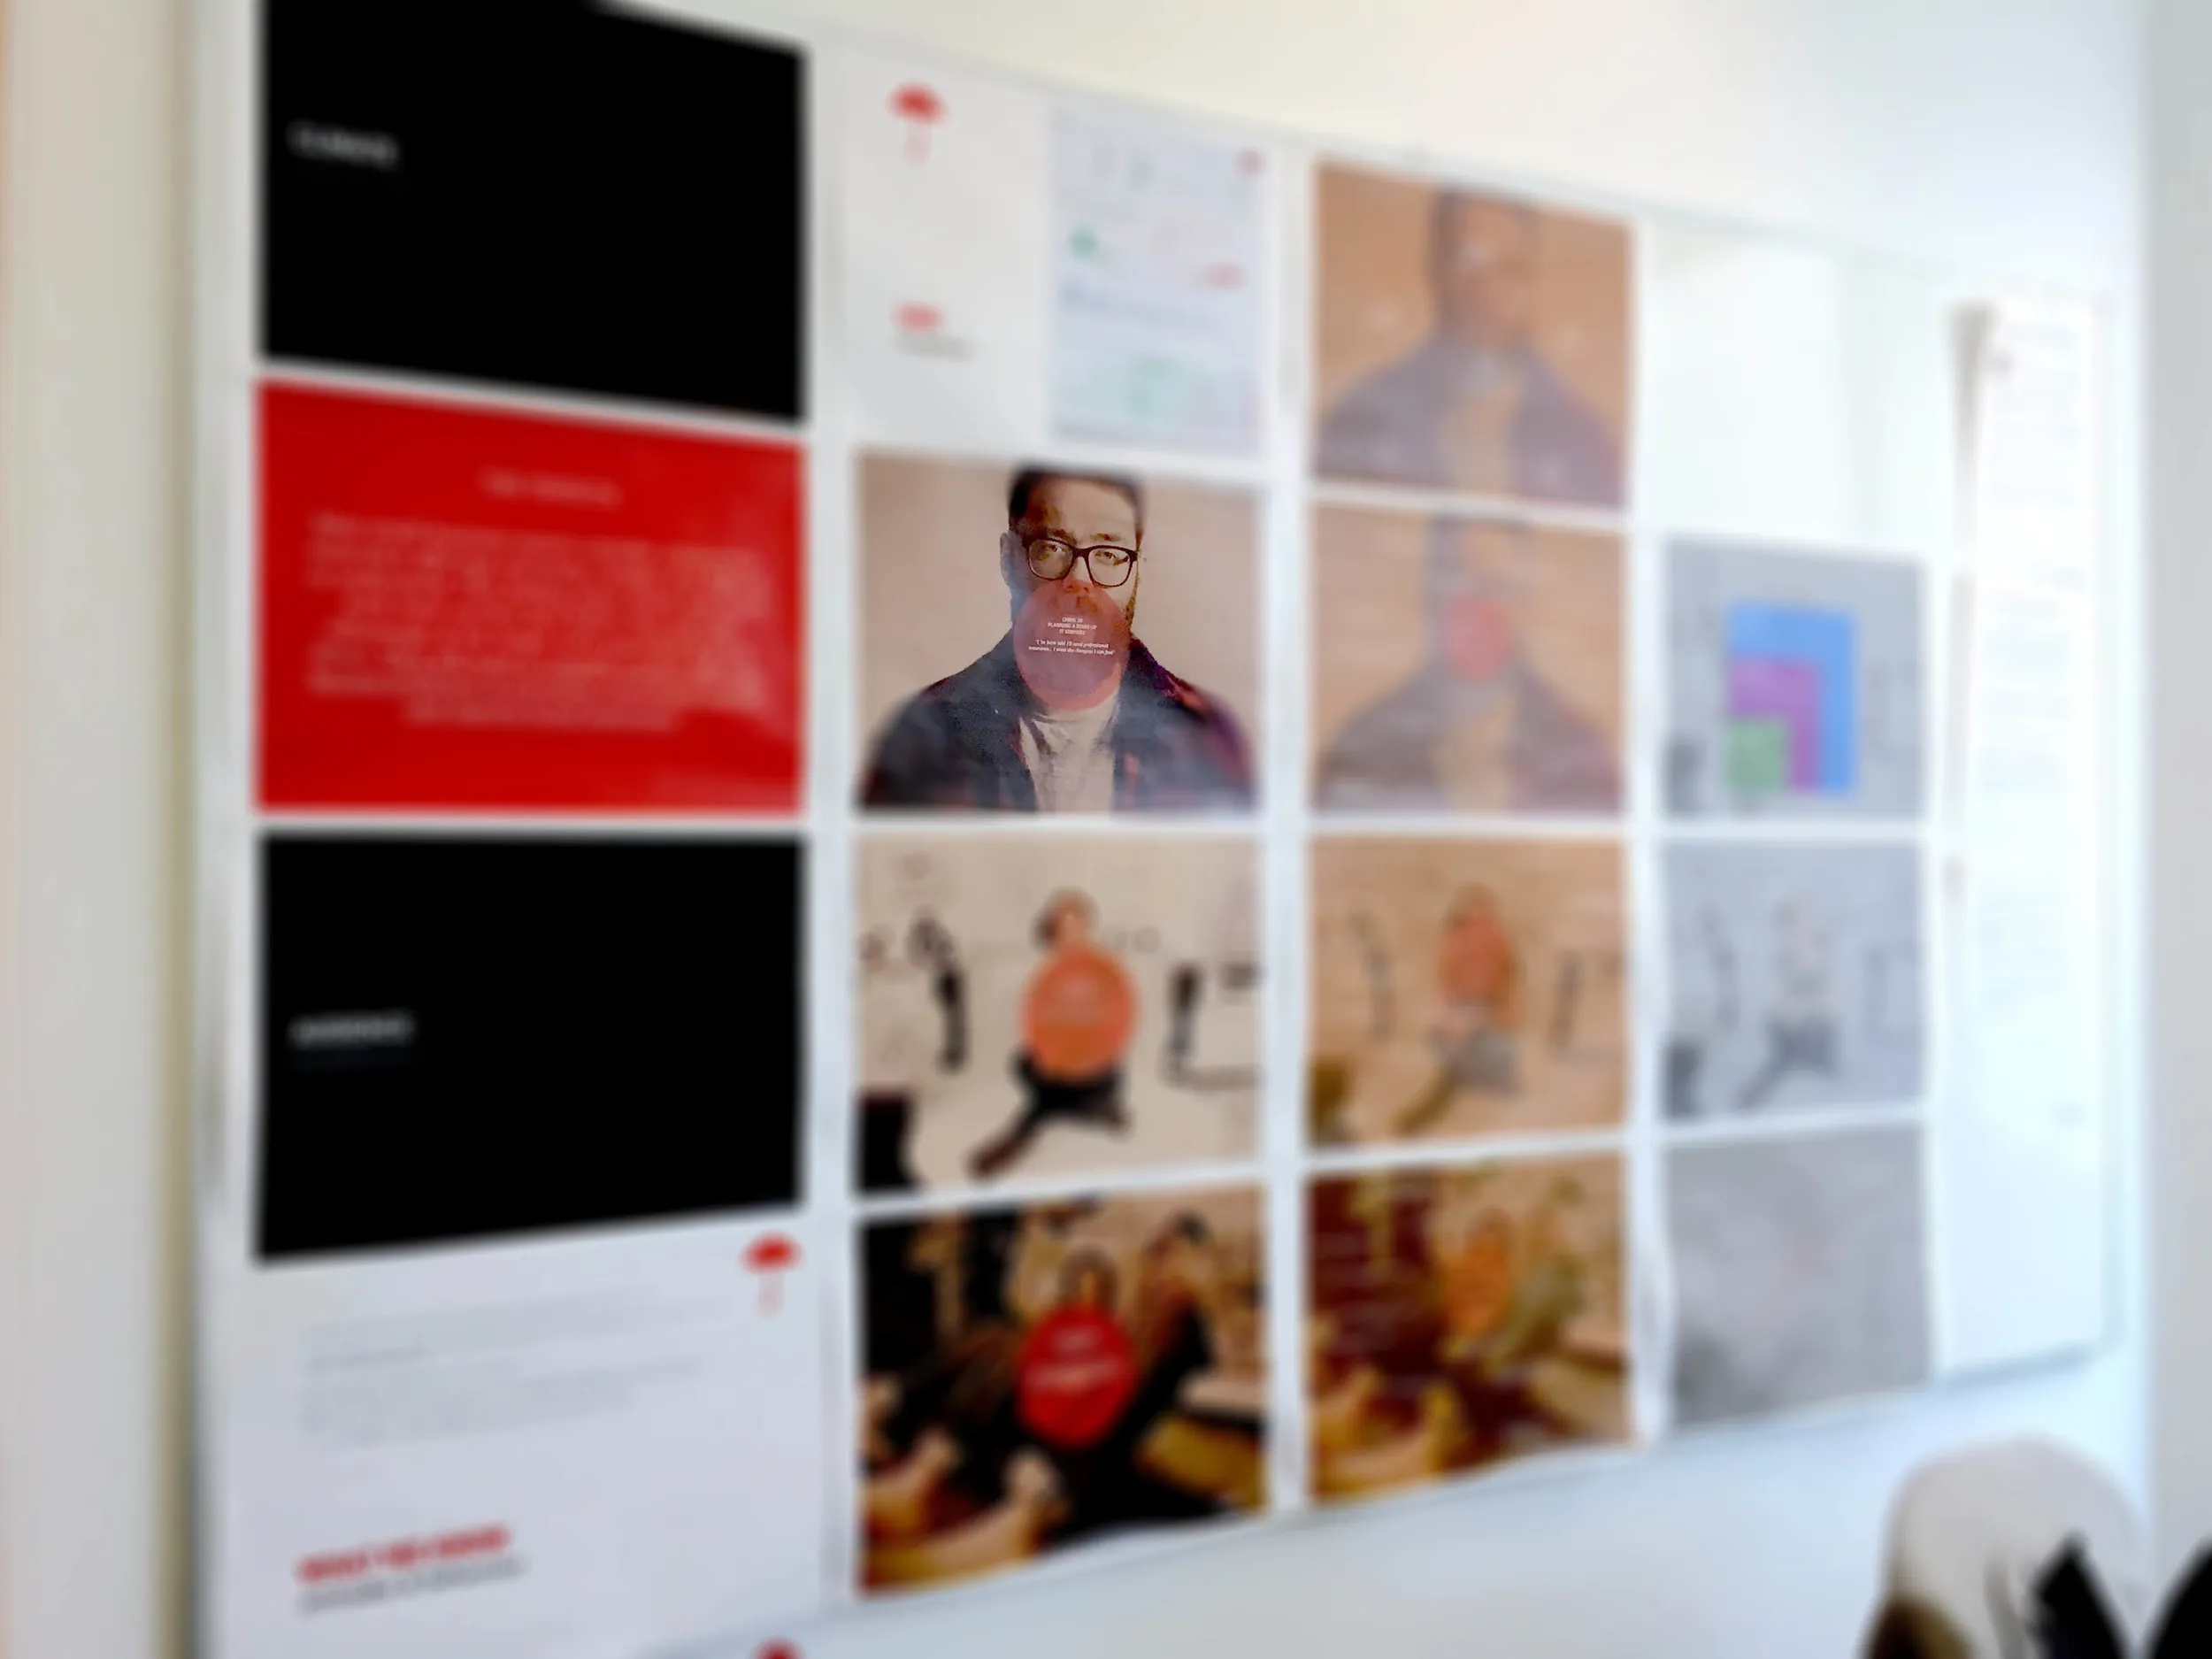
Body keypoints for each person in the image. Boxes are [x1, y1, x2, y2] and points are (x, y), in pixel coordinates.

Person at [862, 468, 1255, 812]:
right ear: (1008, 558)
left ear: (1138, 567)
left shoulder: (1205, 736)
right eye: (1051, 548)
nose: (1079, 581)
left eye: (1109, 554)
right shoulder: (922, 736)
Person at [1317, 190, 1622, 506]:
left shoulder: (1581, 440)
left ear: (1530, 280)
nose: (1488, 288)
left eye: (1509, 267)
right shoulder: (1364, 420)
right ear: (1436, 269)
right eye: (1470, 262)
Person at [1315, 518, 1619, 810]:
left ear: (1526, 603)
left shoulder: (1578, 746)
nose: (1479, 608)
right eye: (1459, 583)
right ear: (1429, 596)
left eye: (1499, 587)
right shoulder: (1369, 743)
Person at [968, 892, 1137, 1180]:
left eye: (1077, 925)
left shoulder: (1102, 966)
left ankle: (1020, 1136)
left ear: (1088, 927)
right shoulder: (1044, 970)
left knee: (1053, 1096)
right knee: (1023, 1064)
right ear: (1050, 930)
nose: (1070, 933)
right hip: (1057, 1065)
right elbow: (1037, 1024)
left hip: (1096, 1065)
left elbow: (1119, 1018)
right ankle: (1087, 1110)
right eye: (1062, 926)